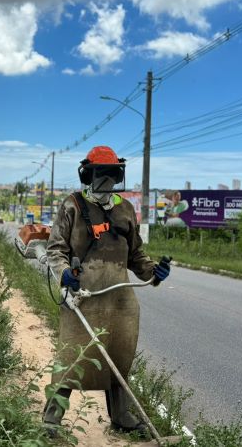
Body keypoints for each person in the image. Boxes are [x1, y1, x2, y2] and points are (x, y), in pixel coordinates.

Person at [44, 146, 170, 434]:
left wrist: (154, 272)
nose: (107, 180)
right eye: (101, 174)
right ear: (88, 174)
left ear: (118, 175)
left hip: (120, 300)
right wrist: (65, 274)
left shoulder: (124, 209)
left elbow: (136, 255)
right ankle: (52, 418)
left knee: (119, 357)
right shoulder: (72, 205)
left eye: (111, 174)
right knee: (71, 357)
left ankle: (121, 416)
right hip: (82, 297)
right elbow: (55, 249)